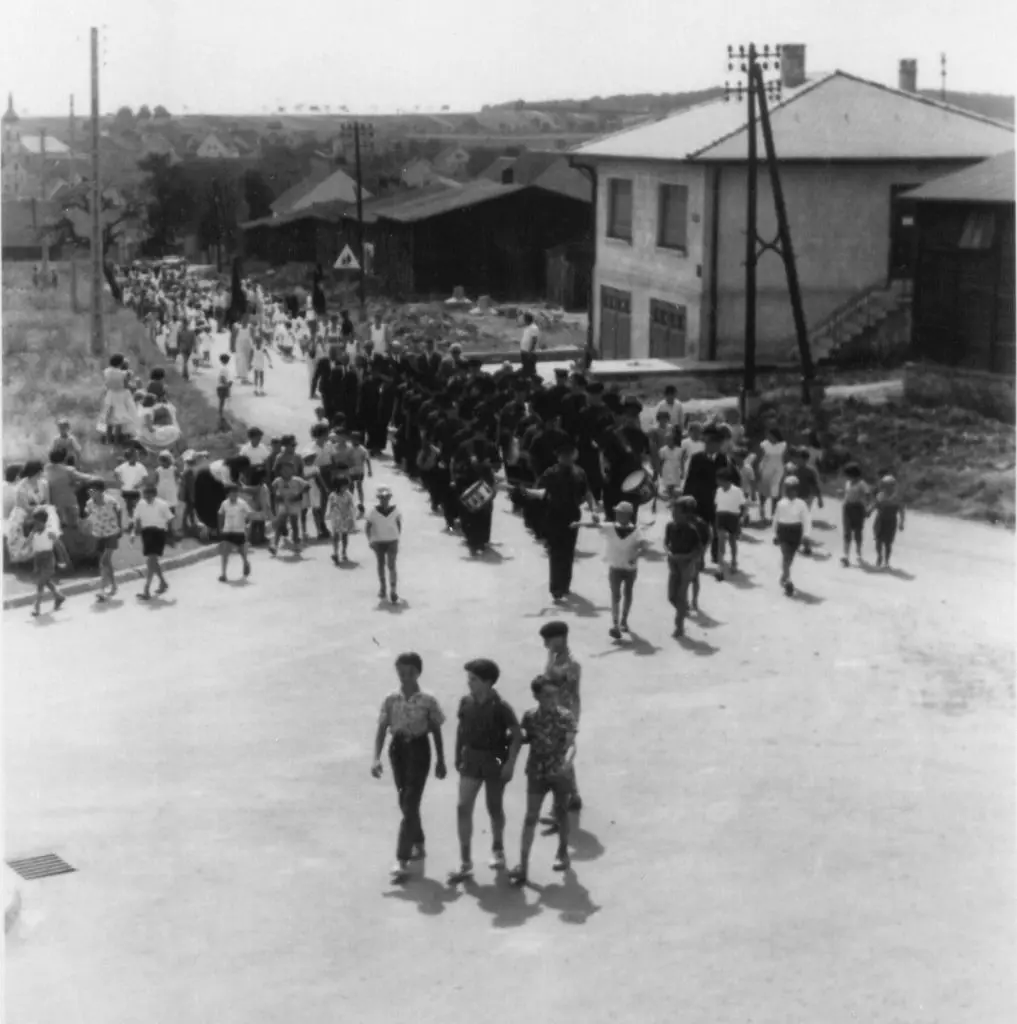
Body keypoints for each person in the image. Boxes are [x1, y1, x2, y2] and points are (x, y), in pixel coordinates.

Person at [371, 652, 447, 883]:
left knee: (410, 801)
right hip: (398, 751)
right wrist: (376, 757)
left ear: (418, 673)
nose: (405, 677)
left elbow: (436, 729)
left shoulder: (427, 700)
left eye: (410, 673)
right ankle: (419, 842)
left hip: (419, 749)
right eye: (401, 673)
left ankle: (402, 858)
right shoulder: (391, 699)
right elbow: (383, 728)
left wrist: (441, 759)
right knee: (405, 798)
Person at [447, 659, 523, 885]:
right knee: (462, 808)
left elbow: (517, 735)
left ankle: (498, 848)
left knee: (494, 807)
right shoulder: (466, 702)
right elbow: (461, 730)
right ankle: (465, 860)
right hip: (471, 760)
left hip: (494, 759)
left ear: (488, 682)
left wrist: (510, 764)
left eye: (474, 680)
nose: (469, 683)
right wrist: (457, 754)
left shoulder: (501, 707)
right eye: (469, 679)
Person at [508, 676, 578, 886]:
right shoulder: (529, 717)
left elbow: (572, 743)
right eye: (547, 695)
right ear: (536, 696)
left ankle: (562, 851)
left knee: (562, 813)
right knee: (531, 816)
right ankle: (523, 865)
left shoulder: (565, 716)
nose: (552, 699)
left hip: (559, 771)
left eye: (554, 694)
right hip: (537, 771)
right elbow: (525, 738)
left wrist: (568, 760)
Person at [523, 441, 599, 602]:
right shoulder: (551, 473)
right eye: (563, 455)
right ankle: (556, 588)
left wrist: (593, 510)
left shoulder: (579, 473)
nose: (566, 458)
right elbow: (540, 491)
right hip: (554, 516)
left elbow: (587, 492)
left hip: (573, 516)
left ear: (574, 455)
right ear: (558, 457)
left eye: (569, 454)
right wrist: (527, 492)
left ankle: (565, 585)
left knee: (569, 552)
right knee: (556, 552)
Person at [601, 500, 647, 639]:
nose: (617, 515)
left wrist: (636, 556)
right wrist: (578, 524)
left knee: (628, 592)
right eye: (617, 513)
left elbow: (643, 546)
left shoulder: (637, 531)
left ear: (628, 515)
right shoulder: (610, 527)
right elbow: (594, 525)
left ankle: (624, 620)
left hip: (630, 569)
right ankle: (615, 623)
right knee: (615, 595)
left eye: (620, 513)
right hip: (615, 566)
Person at [664, 496, 705, 638]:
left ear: (685, 514)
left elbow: (698, 550)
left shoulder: (692, 530)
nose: (673, 514)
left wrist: (685, 558)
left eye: (677, 512)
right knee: (671, 596)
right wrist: (669, 553)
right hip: (673, 563)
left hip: (686, 565)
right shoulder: (670, 526)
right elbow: (666, 544)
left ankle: (679, 625)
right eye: (673, 511)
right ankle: (682, 610)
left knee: (681, 595)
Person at [130, 481, 174, 600]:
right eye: (145, 496)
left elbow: (170, 519)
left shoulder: (162, 504)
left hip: (159, 533)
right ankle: (163, 583)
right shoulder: (141, 504)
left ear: (154, 495)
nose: (147, 498)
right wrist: (133, 533)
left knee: (151, 560)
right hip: (146, 533)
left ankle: (146, 590)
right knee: (153, 560)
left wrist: (170, 536)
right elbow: (136, 519)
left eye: (149, 496)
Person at [84, 480, 124, 602]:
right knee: (107, 563)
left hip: (111, 533)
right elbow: (89, 515)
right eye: (90, 490)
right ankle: (114, 585)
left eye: (94, 490)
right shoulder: (89, 503)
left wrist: (120, 527)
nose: (91, 492)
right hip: (99, 534)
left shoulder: (110, 501)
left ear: (101, 491)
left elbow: (119, 511)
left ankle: (102, 589)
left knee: (103, 561)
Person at [773, 476, 812, 595]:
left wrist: (806, 535)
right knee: (786, 555)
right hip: (783, 531)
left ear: (797, 490)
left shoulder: (801, 504)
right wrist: (775, 534)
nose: (790, 492)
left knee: (790, 557)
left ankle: (784, 574)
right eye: (787, 489)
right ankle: (788, 581)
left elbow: (806, 520)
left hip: (796, 532)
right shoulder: (780, 503)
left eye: (792, 489)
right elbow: (776, 519)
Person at [365, 485, 402, 603]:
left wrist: (396, 536)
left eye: (386, 497)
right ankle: (382, 587)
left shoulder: (396, 511)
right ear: (379, 498)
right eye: (382, 498)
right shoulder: (373, 512)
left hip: (392, 541)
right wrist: (370, 539)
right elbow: (368, 527)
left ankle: (393, 590)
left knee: (391, 564)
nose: (384, 500)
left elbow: (398, 525)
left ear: (390, 498)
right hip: (378, 541)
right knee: (380, 564)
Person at [28, 508, 66, 617]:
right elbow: (31, 546)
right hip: (39, 560)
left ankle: (37, 607)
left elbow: (59, 545)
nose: (34, 524)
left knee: (40, 583)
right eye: (34, 521)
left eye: (36, 522)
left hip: (48, 559)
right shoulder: (34, 533)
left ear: (42, 522)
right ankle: (59, 597)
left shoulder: (49, 532)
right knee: (46, 581)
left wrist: (62, 560)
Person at [269, 460, 308, 555]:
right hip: (282, 504)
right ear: (280, 471)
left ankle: (296, 543)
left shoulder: (297, 480)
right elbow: (273, 489)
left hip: (294, 504)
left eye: (289, 470)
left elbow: (307, 486)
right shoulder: (278, 480)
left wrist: (299, 494)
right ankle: (275, 545)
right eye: (284, 470)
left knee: (294, 524)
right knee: (280, 524)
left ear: (293, 470)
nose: (287, 472)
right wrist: (276, 496)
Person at [714, 467, 747, 580]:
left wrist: (741, 518)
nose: (717, 482)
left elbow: (743, 505)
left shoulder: (737, 491)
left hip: (733, 516)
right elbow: (717, 503)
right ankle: (720, 565)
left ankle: (733, 561)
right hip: (721, 515)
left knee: (732, 540)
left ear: (725, 480)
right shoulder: (718, 490)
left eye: (719, 480)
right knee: (721, 540)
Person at [217, 483, 252, 582]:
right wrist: (220, 528)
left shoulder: (242, 503)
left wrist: (248, 524)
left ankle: (246, 563)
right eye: (232, 492)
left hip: (239, 531)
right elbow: (220, 514)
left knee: (242, 553)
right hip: (228, 531)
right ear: (228, 494)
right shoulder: (224, 504)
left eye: (236, 492)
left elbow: (249, 514)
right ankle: (223, 574)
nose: (234, 494)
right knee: (224, 553)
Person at [840, 462, 870, 567]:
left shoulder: (862, 483)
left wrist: (867, 507)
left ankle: (858, 552)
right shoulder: (848, 483)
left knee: (857, 532)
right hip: (847, 507)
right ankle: (846, 555)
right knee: (847, 532)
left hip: (858, 508)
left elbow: (867, 495)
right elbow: (847, 494)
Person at [872, 474, 905, 570]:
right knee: (878, 540)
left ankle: (886, 561)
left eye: (888, 485)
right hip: (880, 520)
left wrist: (901, 522)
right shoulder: (880, 495)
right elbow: (875, 505)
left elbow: (901, 510)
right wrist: (868, 511)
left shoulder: (897, 498)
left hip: (891, 521)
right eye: (884, 485)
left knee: (888, 543)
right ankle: (879, 557)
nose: (885, 487)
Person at [756, 427, 787, 523]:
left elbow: (784, 458)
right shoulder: (764, 444)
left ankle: (774, 514)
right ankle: (762, 510)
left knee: (776, 491)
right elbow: (760, 456)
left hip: (778, 468)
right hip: (766, 467)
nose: (768, 436)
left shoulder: (783, 444)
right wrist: (758, 469)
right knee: (764, 490)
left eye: (770, 435)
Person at [325, 477, 357, 565]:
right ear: (338, 486)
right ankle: (335, 553)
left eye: (346, 485)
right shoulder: (332, 495)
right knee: (335, 536)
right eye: (344, 486)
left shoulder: (348, 495)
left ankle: (344, 551)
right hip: (336, 518)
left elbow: (351, 505)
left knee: (344, 536)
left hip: (345, 517)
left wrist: (352, 515)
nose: (346, 487)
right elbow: (330, 506)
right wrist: (328, 514)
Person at [114, 447, 148, 518]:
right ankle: (132, 520)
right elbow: (116, 472)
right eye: (136, 455)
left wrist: (139, 484)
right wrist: (119, 480)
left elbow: (145, 477)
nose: (138, 456)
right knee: (129, 508)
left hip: (135, 491)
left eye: (137, 455)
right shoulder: (123, 466)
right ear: (131, 457)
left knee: (137, 507)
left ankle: (135, 520)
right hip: (126, 491)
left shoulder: (140, 466)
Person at [348, 432, 373, 516]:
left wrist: (369, 470)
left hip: (359, 472)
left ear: (358, 440)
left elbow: (367, 460)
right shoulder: (349, 448)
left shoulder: (362, 449)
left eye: (355, 439)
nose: (353, 441)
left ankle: (361, 504)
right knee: (350, 488)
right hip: (350, 471)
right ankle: (350, 504)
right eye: (352, 439)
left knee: (359, 488)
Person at [519, 312, 540, 376]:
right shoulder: (527, 328)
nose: (523, 320)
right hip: (524, 352)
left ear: (527, 319)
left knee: (530, 369)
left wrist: (530, 352)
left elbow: (534, 340)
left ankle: (533, 381)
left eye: (524, 319)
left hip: (529, 352)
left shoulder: (533, 327)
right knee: (526, 368)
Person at [216, 354, 232, 431]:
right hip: (223, 387)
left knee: (222, 402)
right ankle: (221, 416)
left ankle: (221, 415)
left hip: (222, 386)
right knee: (223, 402)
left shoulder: (222, 368)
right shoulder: (223, 368)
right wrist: (227, 385)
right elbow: (222, 378)